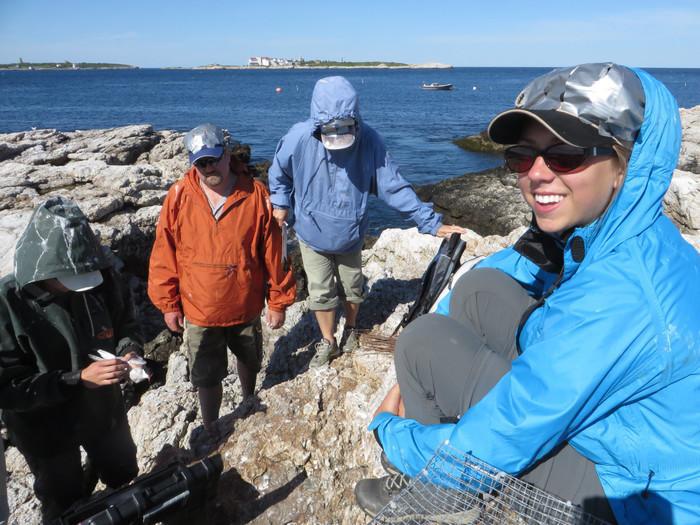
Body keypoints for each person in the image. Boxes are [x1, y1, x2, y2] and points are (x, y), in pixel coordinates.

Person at [355, 63, 700, 524]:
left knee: (421, 343)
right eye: (522, 155)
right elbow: (527, 266)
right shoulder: (634, 233)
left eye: (566, 156)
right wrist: (474, 280)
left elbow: (507, 433)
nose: (537, 175)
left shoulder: (620, 295)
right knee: (478, 287)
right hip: (638, 434)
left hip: (636, 493)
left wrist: (390, 433)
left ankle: (444, 492)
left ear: (625, 165)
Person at [268, 76, 465, 367]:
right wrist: (281, 203)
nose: (337, 136)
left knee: (353, 287)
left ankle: (349, 328)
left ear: (356, 120)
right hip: (310, 232)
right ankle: (327, 341)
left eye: (345, 129)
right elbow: (278, 172)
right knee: (321, 291)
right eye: (329, 131)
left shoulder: (369, 140)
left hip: (350, 232)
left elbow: (393, 186)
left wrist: (430, 222)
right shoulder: (298, 138)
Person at [148, 123, 296, 438]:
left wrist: (279, 301)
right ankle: (211, 425)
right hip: (199, 310)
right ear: (192, 163)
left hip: (245, 305)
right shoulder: (178, 196)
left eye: (214, 159)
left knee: (250, 359)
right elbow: (164, 252)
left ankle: (247, 399)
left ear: (227, 155)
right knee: (206, 375)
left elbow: (274, 252)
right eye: (201, 163)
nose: (209, 168)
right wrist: (168, 304)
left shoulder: (256, 194)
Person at [0, 197, 142, 522]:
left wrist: (129, 352)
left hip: (103, 414)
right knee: (62, 499)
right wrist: (77, 379)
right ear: (42, 267)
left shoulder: (100, 277)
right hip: (44, 429)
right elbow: (7, 388)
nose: (79, 288)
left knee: (122, 472)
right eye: (67, 281)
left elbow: (126, 324)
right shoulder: (7, 303)